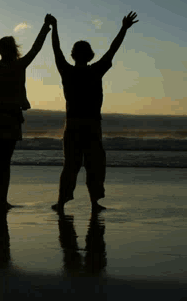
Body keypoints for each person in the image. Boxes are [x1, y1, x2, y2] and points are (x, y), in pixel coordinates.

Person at [50, 12, 138, 213]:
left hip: (73, 124)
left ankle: (62, 202)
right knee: (95, 164)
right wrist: (123, 28)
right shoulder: (95, 70)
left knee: (71, 165)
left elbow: (56, 50)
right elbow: (112, 50)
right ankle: (94, 202)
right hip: (91, 124)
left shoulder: (67, 70)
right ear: (90, 55)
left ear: (73, 55)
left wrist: (54, 28)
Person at [0, 15, 52, 211]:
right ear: (14, 50)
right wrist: (45, 27)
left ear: (0, 51)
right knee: (5, 160)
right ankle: (2, 199)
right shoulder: (19, 66)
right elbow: (36, 49)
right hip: (10, 115)